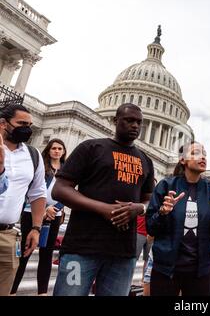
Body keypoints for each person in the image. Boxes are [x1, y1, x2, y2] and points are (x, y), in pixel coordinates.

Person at [52, 103, 155, 296]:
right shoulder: (91, 148)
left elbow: (150, 201)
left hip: (123, 253)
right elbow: (59, 190)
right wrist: (103, 209)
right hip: (81, 247)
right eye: (129, 120)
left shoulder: (145, 160)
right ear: (115, 121)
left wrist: (138, 208)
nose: (135, 126)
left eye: (139, 122)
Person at [146, 141, 210, 296]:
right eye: (196, 153)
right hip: (166, 268)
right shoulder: (166, 186)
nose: (203, 157)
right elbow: (150, 228)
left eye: (204, 153)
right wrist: (162, 212)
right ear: (182, 160)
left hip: (200, 270)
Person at [0, 104, 46, 296]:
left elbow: (38, 193)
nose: (26, 129)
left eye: (29, 124)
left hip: (8, 234)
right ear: (3, 123)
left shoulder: (33, 155)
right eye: (21, 124)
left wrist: (36, 228)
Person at [11, 139, 67, 295]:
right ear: (48, 150)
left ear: (63, 152)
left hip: (54, 215)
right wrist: (43, 208)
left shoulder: (66, 170)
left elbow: (67, 193)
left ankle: (42, 292)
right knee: (25, 250)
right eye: (53, 148)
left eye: (59, 148)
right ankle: (12, 290)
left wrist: (54, 209)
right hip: (32, 212)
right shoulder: (40, 166)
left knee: (47, 253)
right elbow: (31, 189)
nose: (56, 151)